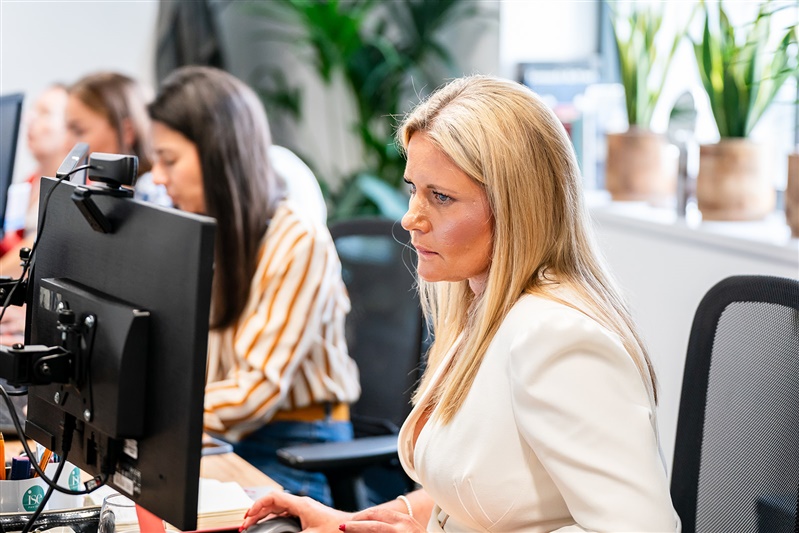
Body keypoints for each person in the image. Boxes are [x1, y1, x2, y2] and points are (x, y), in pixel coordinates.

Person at [241, 75, 680, 532]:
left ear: (517, 207)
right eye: (414, 188)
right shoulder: (481, 308)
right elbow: (490, 497)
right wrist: (346, 522)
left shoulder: (558, 338)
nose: (411, 217)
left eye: (442, 197)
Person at [147, 66, 360, 505]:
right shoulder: (205, 231)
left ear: (218, 154)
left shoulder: (298, 240)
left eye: (169, 160)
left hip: (299, 446)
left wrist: (153, 410)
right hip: (224, 435)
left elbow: (255, 390)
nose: (158, 176)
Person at [64, 71, 170, 207]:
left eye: (79, 131)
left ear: (127, 132)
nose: (66, 145)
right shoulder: (98, 188)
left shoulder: (151, 194)